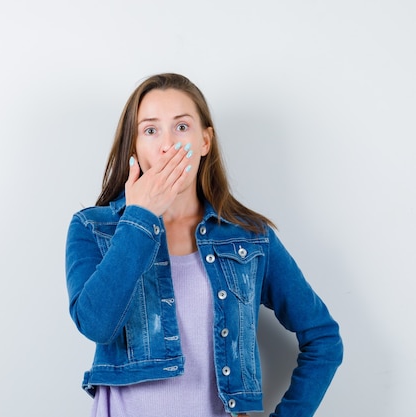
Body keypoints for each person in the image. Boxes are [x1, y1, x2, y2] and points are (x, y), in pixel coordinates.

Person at [65, 73, 343, 417]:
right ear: (134, 146)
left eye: (181, 127)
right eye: (150, 130)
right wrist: (140, 217)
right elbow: (95, 324)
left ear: (205, 141)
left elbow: (324, 340)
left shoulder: (250, 237)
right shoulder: (93, 228)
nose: (167, 145)